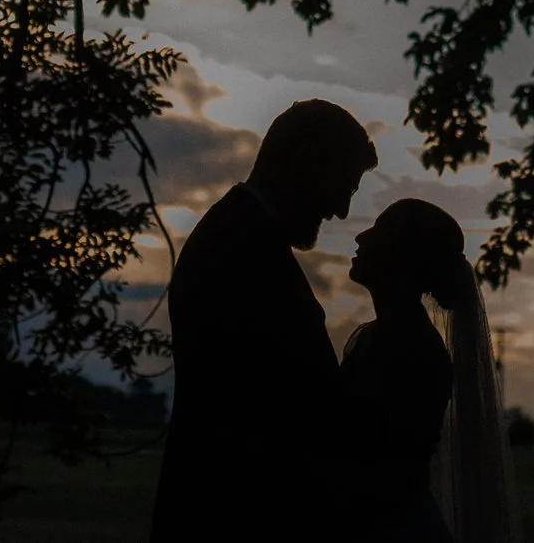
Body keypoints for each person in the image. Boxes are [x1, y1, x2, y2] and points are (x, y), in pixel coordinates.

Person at [147, 98, 378, 542]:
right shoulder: (243, 247)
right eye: (343, 189)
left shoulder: (242, 235)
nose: (342, 212)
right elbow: (278, 411)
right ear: (307, 162)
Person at [342, 198, 521, 543]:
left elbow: (388, 471)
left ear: (406, 260)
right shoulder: (376, 338)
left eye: (382, 231)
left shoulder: (414, 350)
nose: (361, 237)